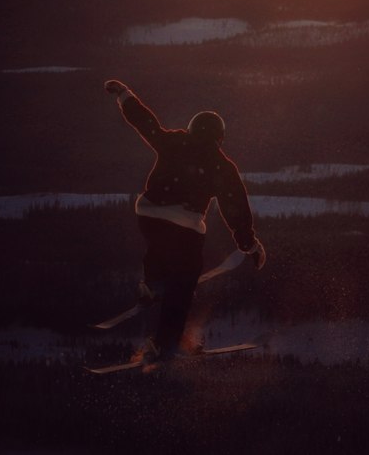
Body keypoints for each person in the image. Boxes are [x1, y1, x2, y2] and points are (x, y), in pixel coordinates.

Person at [104, 79, 266, 364]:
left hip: (149, 213)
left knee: (159, 243)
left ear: (192, 129)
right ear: (220, 138)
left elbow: (146, 123)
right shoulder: (222, 165)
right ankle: (165, 342)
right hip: (186, 225)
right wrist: (248, 244)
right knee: (183, 283)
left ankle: (153, 281)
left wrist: (125, 95)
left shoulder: (174, 141)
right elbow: (236, 208)